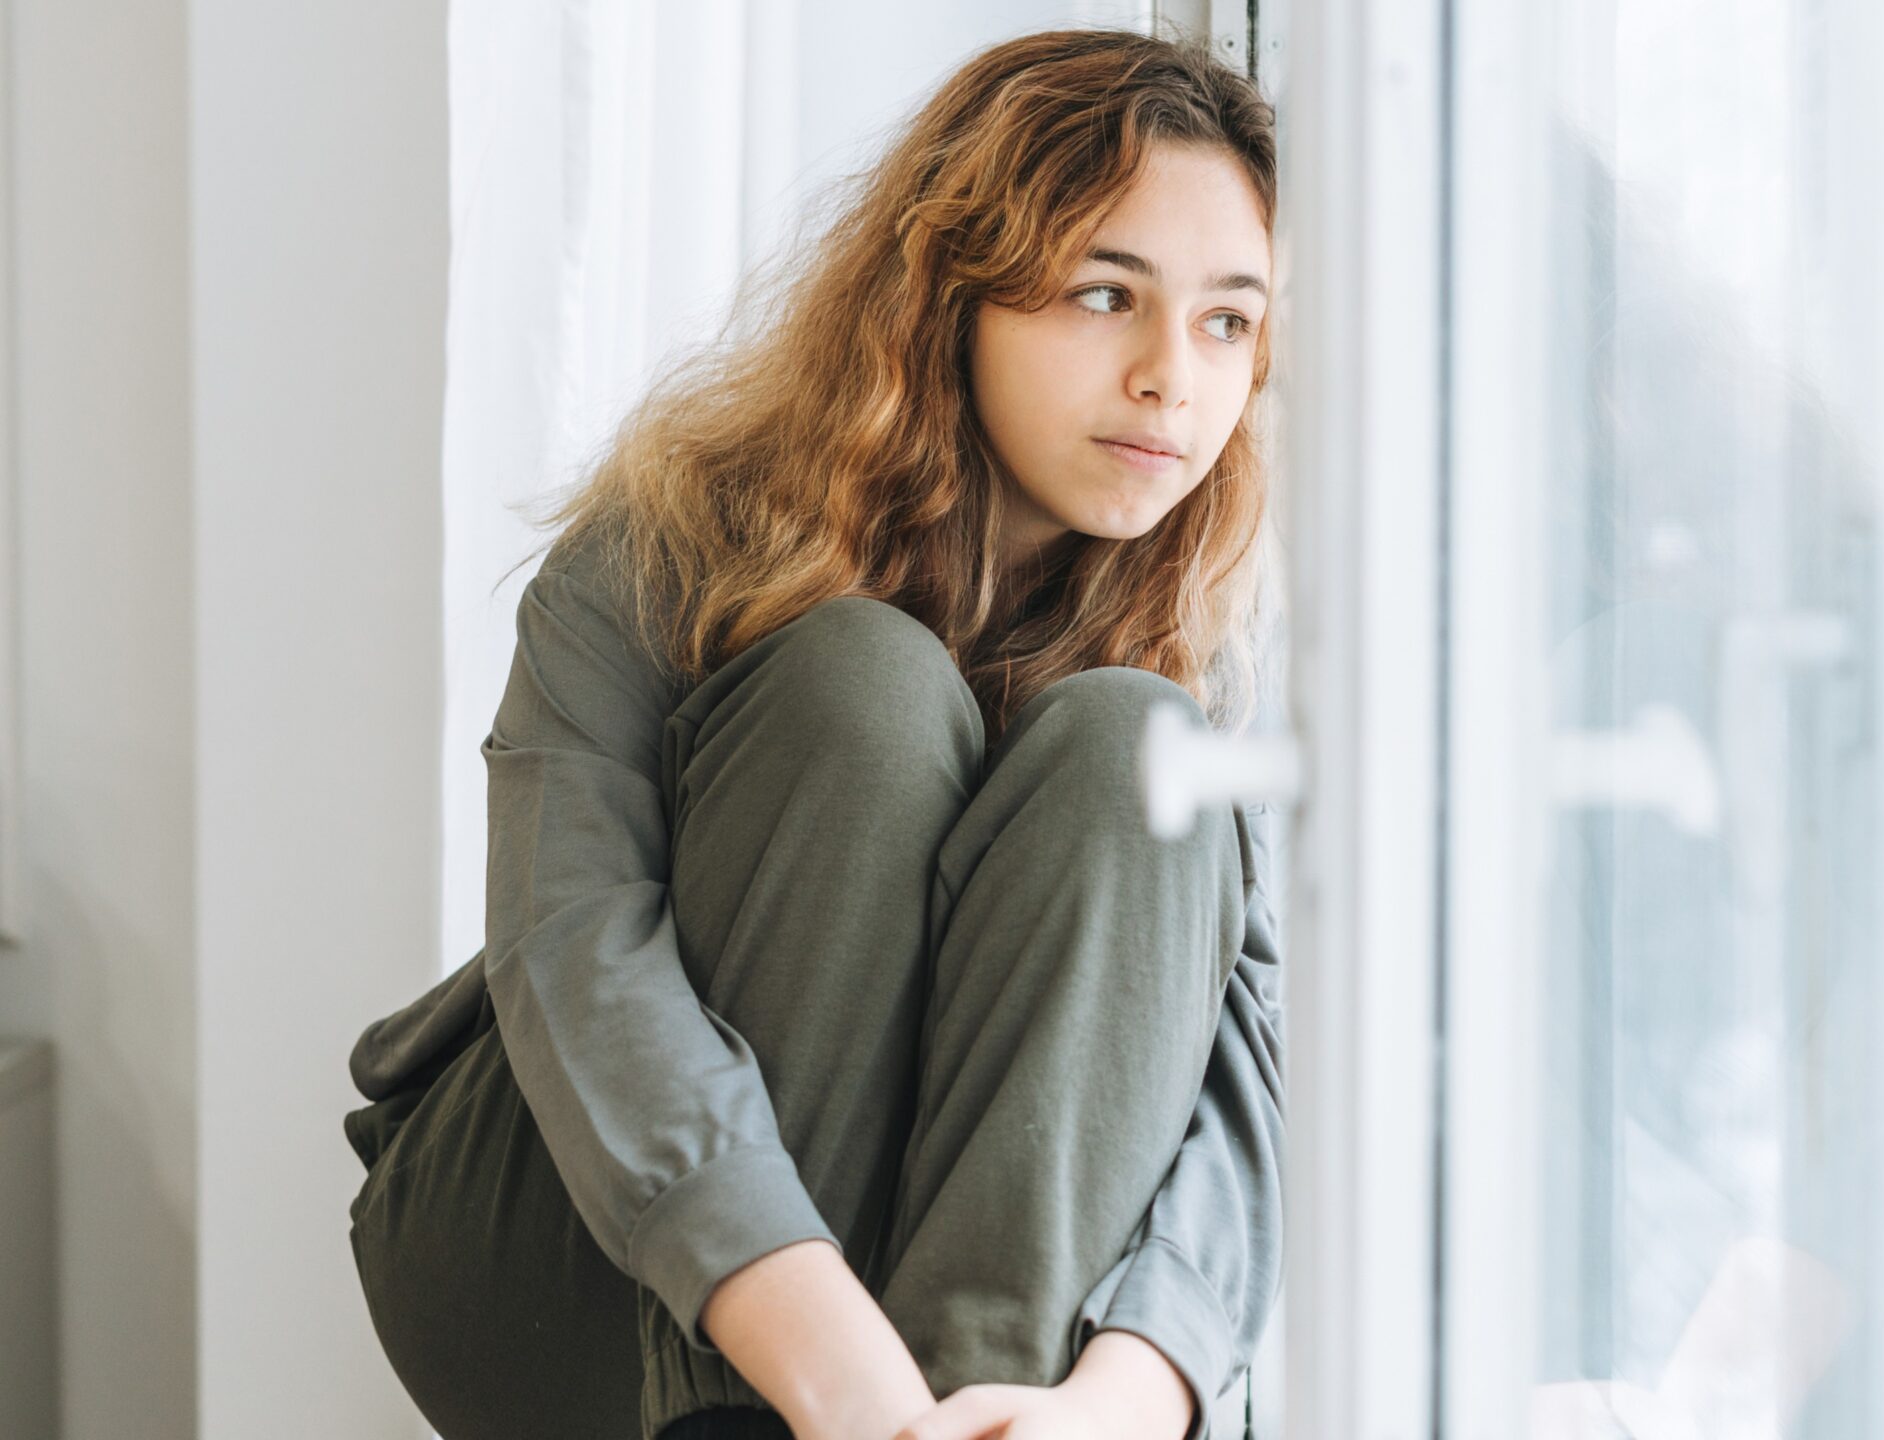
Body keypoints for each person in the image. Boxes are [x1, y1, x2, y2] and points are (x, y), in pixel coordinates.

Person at [338, 28, 1284, 1440]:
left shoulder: (1203, 628)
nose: (1173, 378)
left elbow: (1236, 1075)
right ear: (953, 289)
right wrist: (833, 1368)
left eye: (1229, 320)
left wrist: (1123, 1393)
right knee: (861, 684)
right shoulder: (673, 540)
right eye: (1106, 294)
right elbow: (574, 953)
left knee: (1132, 746)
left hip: (949, 1343)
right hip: (557, 1240)